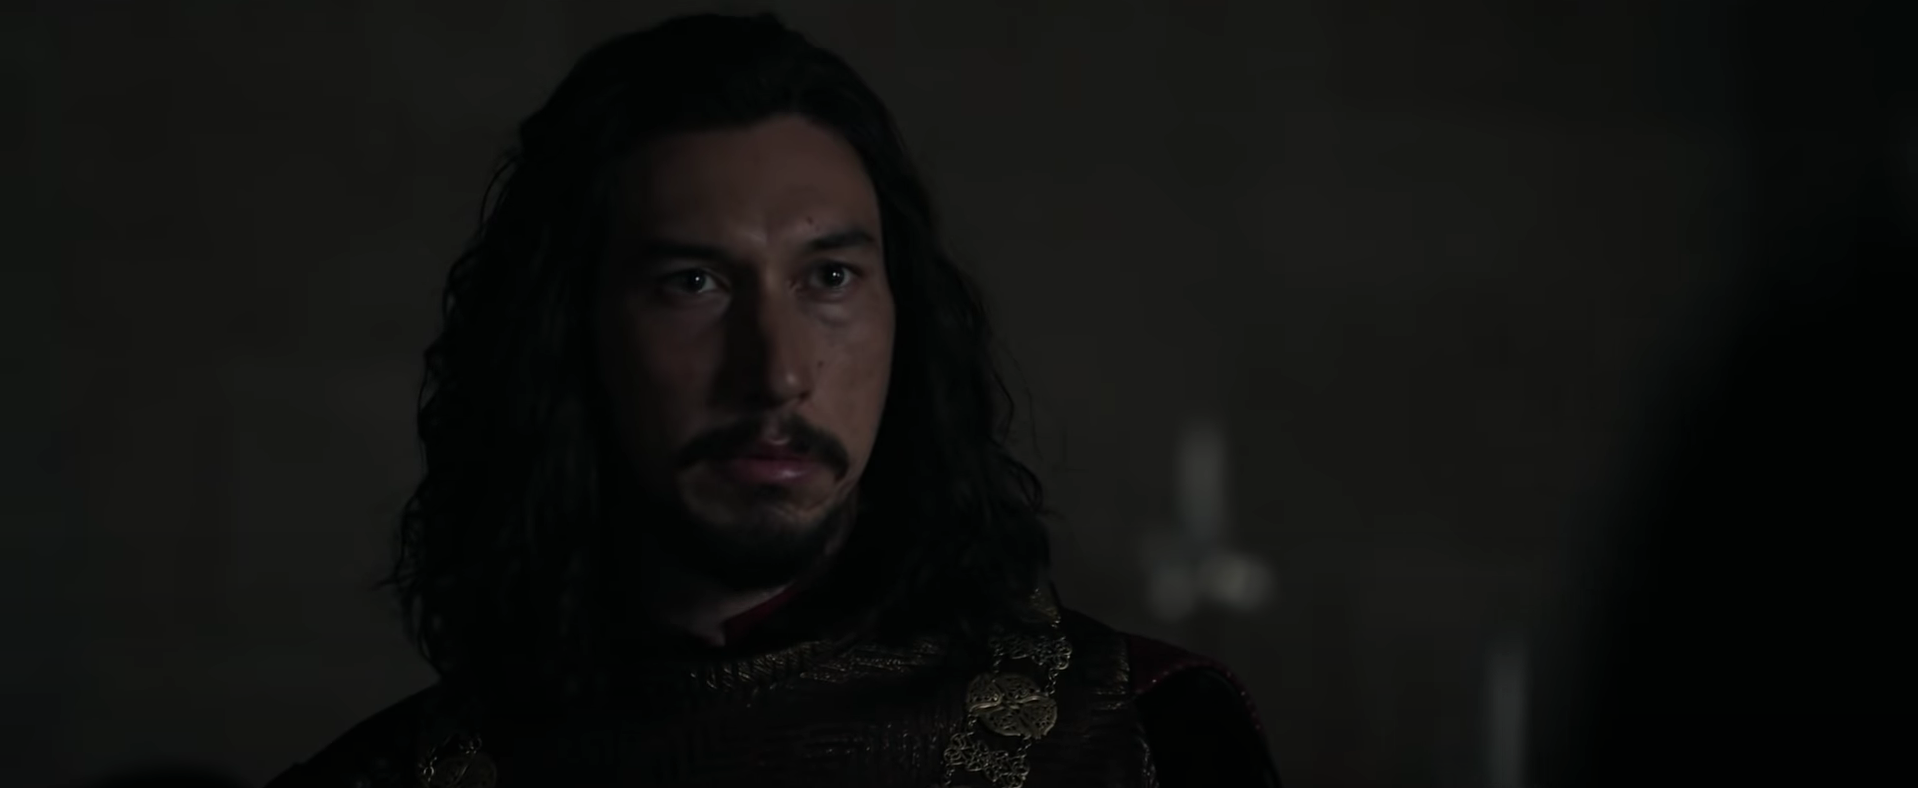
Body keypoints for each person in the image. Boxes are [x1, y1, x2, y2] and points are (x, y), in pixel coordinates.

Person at [267, 13, 1278, 788]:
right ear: (567, 331)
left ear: (902, 317)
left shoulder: (1139, 736)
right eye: (693, 284)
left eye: (828, 278)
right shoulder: (390, 777)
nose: (777, 371)